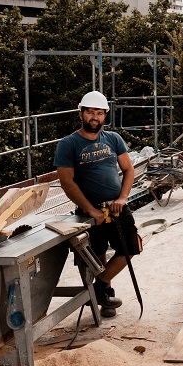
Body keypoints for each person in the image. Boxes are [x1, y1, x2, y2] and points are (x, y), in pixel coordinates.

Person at [54, 91, 140, 319]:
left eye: (99, 113)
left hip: (117, 206)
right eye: (90, 112)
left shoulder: (113, 139)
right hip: (91, 211)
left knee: (131, 248)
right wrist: (90, 210)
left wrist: (122, 198)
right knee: (99, 253)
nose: (95, 117)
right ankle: (107, 297)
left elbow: (129, 170)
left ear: (105, 116)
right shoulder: (68, 144)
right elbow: (67, 181)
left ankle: (99, 287)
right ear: (80, 113)